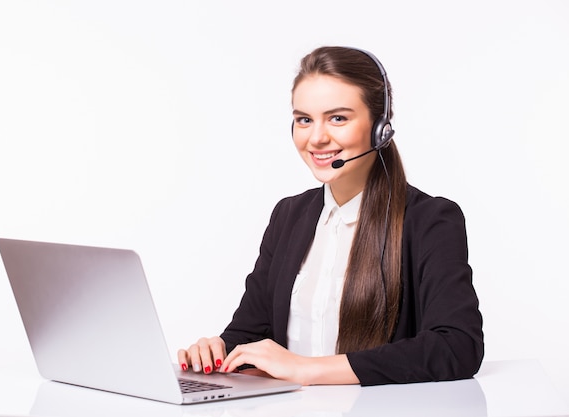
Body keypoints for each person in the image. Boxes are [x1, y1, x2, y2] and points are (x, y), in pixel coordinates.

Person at [177, 46, 484, 386]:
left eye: (338, 118)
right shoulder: (288, 215)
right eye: (304, 120)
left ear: (381, 127)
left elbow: (457, 346)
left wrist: (308, 369)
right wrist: (217, 349)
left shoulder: (429, 220)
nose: (317, 138)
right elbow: (250, 332)